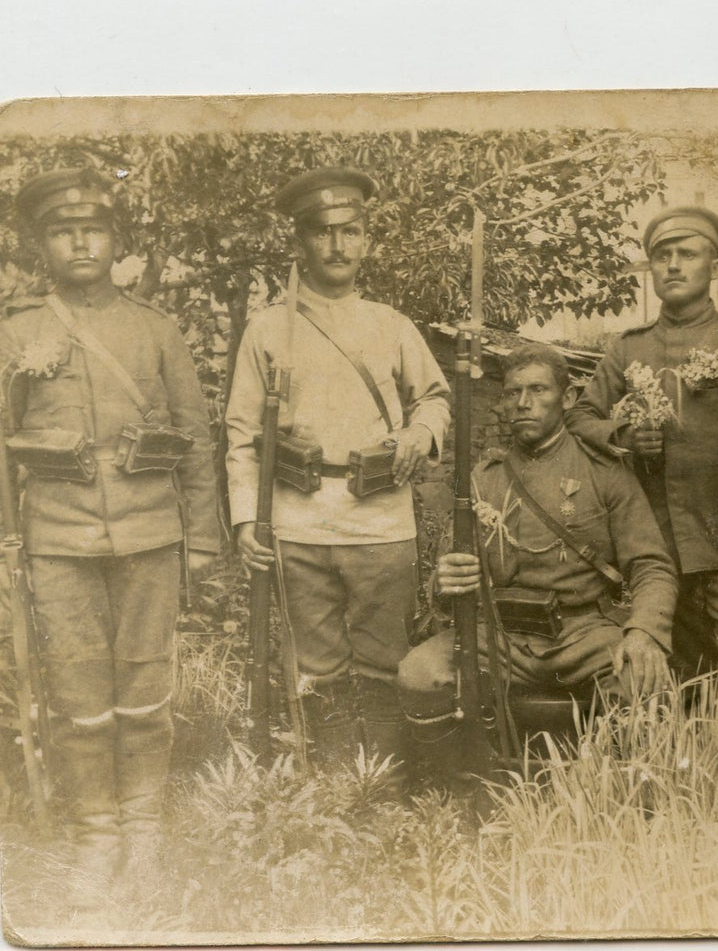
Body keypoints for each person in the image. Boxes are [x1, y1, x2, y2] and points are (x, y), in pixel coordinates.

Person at [0, 168, 222, 894]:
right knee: (75, 684)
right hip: (57, 536)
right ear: (42, 245)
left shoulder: (152, 329)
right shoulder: (17, 332)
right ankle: (97, 833)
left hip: (148, 530)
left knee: (145, 681)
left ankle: (144, 825)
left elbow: (194, 435)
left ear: (114, 237)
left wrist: (207, 538)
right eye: (63, 232)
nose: (80, 242)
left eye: (92, 229)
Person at [225, 167, 449, 767]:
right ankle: (329, 791)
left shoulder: (390, 324)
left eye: (350, 232)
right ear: (301, 243)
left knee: (383, 665)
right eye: (323, 233)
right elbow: (243, 435)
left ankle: (382, 787)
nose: (337, 246)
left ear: (367, 241)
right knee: (317, 671)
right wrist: (248, 520)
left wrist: (420, 431)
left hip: (379, 524)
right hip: (297, 524)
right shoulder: (268, 329)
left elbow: (434, 397)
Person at [397, 343, 677, 766]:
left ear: (566, 399)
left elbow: (652, 565)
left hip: (582, 632)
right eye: (512, 393)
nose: (523, 403)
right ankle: (463, 784)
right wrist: (446, 579)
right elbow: (451, 564)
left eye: (538, 390)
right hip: (497, 635)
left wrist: (644, 632)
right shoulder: (483, 476)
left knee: (643, 680)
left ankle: (613, 795)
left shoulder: (604, 472)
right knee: (419, 675)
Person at [567, 206, 718, 677]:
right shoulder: (629, 347)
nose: (672, 265)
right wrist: (624, 436)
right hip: (655, 535)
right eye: (661, 256)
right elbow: (580, 417)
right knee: (676, 659)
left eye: (686, 254)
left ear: (714, 269)